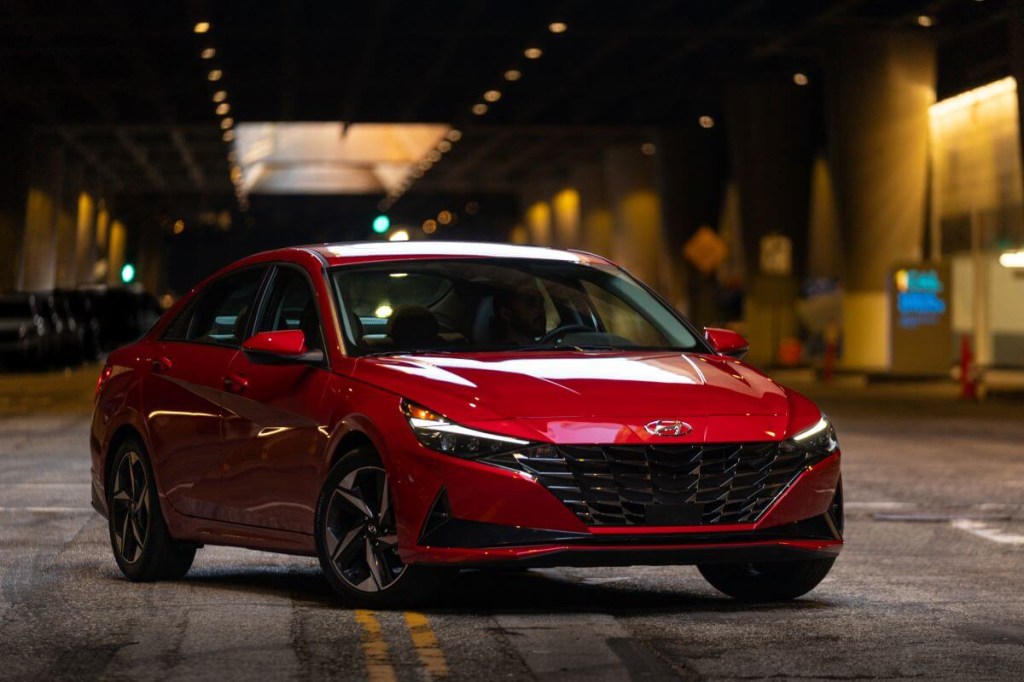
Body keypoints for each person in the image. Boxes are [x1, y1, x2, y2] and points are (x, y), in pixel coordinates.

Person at [492, 278, 547, 345]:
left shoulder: (549, 348)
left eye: (541, 302)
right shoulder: (501, 354)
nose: (541, 310)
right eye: (530, 303)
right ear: (506, 314)